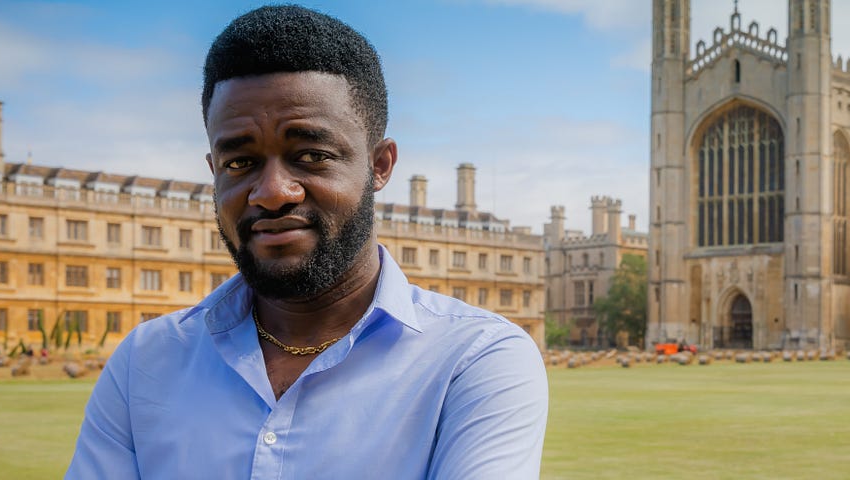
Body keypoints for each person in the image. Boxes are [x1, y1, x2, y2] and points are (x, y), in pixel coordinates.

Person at [66, 5, 548, 479]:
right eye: (240, 163)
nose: (273, 192)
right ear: (214, 172)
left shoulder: (477, 358)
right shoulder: (145, 360)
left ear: (379, 166)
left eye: (312, 155)